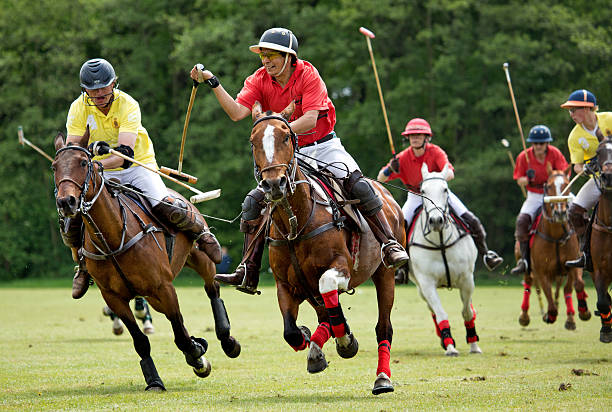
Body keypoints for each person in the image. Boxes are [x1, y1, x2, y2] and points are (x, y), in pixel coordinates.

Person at [189, 27, 409, 294]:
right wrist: (213, 82)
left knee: (359, 185)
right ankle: (249, 268)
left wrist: (279, 129)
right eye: (263, 56)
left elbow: (310, 119)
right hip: (289, 153)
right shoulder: (258, 79)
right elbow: (237, 113)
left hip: (323, 146)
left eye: (272, 55)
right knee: (253, 202)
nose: (266, 60)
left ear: (289, 57)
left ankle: (389, 244)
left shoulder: (308, 74)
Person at [62, 58, 221, 299]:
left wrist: (96, 161)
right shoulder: (78, 108)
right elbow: (74, 151)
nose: (99, 94)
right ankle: (83, 266)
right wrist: (90, 156)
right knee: (74, 215)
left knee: (163, 203)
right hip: (96, 170)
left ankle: (202, 234)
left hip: (137, 165)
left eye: (104, 87)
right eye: (93, 90)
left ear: (114, 83)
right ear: (84, 90)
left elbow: (125, 155)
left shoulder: (128, 104)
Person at [377, 118, 503, 271]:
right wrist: (390, 168)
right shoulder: (402, 157)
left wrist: (435, 178)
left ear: (426, 138)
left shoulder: (436, 152)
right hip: (416, 196)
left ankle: (486, 255)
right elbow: (380, 178)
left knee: (471, 219)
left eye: (419, 134)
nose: (415, 138)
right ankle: (402, 269)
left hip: (438, 193)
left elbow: (450, 173)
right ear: (408, 138)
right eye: (412, 135)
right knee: (399, 228)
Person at [561, 89, 612, 269]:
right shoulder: (574, 137)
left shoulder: (609, 119)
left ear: (588, 108)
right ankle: (586, 252)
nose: (571, 114)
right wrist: (587, 168)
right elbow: (576, 166)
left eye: (574, 109)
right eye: (570, 110)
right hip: (600, 179)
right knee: (574, 211)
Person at [509, 125, 569, 275]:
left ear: (547, 143)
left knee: (577, 210)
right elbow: (519, 180)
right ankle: (524, 260)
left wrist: (552, 178)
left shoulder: (555, 153)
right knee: (522, 220)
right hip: (535, 194)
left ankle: (582, 251)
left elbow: (563, 173)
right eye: (535, 143)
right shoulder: (524, 157)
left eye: (541, 143)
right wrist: (527, 178)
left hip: (555, 193)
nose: (538, 146)